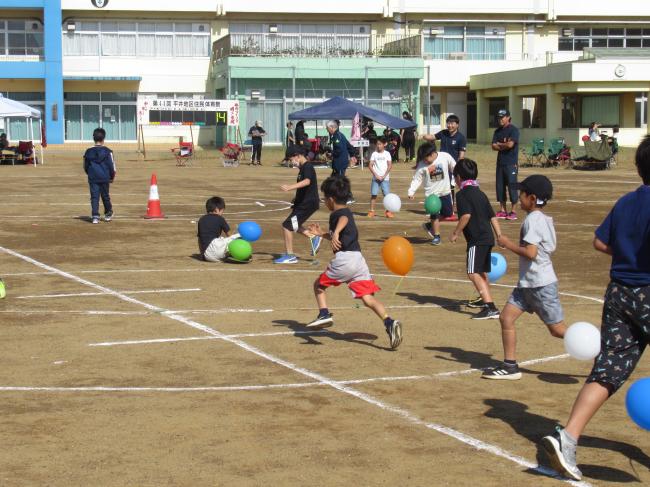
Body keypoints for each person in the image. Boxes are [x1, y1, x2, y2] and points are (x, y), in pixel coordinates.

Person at [540, 136, 650, 482]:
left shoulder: (626, 202)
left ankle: (568, 438)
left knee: (608, 369)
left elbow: (600, 241)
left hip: (619, 292)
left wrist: (628, 257)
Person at [482, 175, 567, 380]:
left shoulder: (533, 221)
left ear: (532, 197)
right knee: (506, 318)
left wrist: (506, 243)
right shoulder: (542, 219)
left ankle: (601, 346)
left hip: (540, 284)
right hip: (528, 283)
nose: (519, 198)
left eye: (522, 194)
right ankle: (510, 366)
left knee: (557, 330)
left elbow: (531, 253)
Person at [305, 175, 403, 350]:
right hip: (358, 261)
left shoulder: (338, 214)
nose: (325, 203)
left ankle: (324, 314)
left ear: (331, 199)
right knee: (367, 298)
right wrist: (324, 234)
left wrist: (335, 233)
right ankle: (389, 321)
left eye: (325, 199)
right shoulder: (346, 211)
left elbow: (343, 221)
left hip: (345, 261)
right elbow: (340, 235)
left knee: (318, 286)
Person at [450, 158, 502, 319]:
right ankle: (484, 299)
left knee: (473, 272)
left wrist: (456, 233)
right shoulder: (480, 193)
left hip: (476, 239)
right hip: (488, 238)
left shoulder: (462, 194)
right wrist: (499, 235)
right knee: (481, 271)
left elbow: (466, 215)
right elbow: (493, 216)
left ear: (458, 177)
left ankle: (490, 307)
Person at [274, 146, 322, 264]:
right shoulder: (302, 168)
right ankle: (313, 237)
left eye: (291, 159)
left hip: (308, 203)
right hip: (303, 202)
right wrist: (296, 199)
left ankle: (290, 255)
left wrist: (290, 187)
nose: (291, 162)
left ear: (297, 155)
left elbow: (307, 182)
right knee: (294, 224)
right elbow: (306, 187)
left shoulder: (307, 167)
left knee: (287, 225)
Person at [408, 142, 456, 246]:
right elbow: (417, 179)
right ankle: (436, 236)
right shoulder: (422, 165)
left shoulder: (445, 156)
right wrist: (411, 191)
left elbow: (454, 167)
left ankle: (429, 225)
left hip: (445, 192)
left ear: (433, 153)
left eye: (426, 158)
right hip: (432, 196)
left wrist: (455, 179)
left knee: (448, 214)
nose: (425, 161)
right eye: (423, 159)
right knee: (434, 214)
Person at [423, 114, 467, 217]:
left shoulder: (461, 138)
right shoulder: (443, 133)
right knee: (436, 186)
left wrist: (458, 168)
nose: (449, 125)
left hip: (452, 167)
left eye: (452, 123)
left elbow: (461, 156)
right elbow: (433, 136)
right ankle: (435, 208)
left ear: (457, 124)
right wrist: (424, 136)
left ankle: (450, 209)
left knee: (450, 188)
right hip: (439, 165)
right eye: (448, 123)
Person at [492, 109, 520, 221]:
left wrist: (500, 144)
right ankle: (502, 210)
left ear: (508, 117)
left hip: (511, 163)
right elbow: (493, 146)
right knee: (500, 187)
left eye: (502, 117)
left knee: (512, 186)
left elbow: (510, 145)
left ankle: (513, 211)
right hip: (500, 163)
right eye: (499, 117)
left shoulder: (514, 130)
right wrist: (503, 144)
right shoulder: (497, 131)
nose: (500, 119)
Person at [83, 127, 115, 225]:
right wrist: (112, 176)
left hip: (93, 177)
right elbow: (111, 166)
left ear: (94, 138)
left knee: (94, 197)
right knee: (105, 196)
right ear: (103, 138)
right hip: (105, 177)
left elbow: (85, 166)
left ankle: (95, 216)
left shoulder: (88, 151)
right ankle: (108, 213)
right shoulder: (108, 151)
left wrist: (90, 173)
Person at [197, 196, 241, 262]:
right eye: (222, 211)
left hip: (207, 256)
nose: (222, 213)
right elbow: (229, 235)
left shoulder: (201, 219)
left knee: (221, 240)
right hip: (216, 248)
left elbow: (199, 239)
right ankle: (238, 255)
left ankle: (226, 255)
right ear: (217, 209)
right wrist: (237, 231)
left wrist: (203, 255)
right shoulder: (220, 219)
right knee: (240, 235)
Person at [326, 119, 356, 203]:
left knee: (341, 181)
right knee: (332, 179)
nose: (327, 130)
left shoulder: (336, 136)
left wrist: (331, 154)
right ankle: (331, 195)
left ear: (331, 127)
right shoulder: (341, 135)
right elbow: (349, 146)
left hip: (340, 162)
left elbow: (338, 149)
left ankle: (349, 197)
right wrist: (353, 155)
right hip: (340, 162)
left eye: (327, 128)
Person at [367, 136, 393, 218]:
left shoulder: (387, 154)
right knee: (374, 195)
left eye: (380, 144)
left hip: (385, 179)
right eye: (377, 144)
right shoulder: (374, 154)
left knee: (386, 195)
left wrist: (384, 176)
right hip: (375, 179)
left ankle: (388, 211)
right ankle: (371, 211)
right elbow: (370, 165)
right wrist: (376, 175)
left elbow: (389, 165)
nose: (378, 146)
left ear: (385, 144)